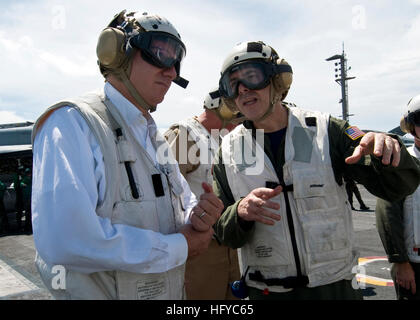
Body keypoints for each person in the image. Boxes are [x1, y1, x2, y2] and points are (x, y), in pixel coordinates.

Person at [31, 10, 223, 300]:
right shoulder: (73, 123)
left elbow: (183, 200)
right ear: (115, 54)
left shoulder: (152, 135)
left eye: (176, 60)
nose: (171, 71)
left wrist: (197, 214)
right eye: (159, 53)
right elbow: (66, 240)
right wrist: (180, 247)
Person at [212, 41, 420, 300]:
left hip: (334, 289)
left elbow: (397, 187)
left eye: (252, 76)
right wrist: (239, 213)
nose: (242, 89)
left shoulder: (326, 130)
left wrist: (389, 151)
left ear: (276, 81)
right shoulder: (228, 150)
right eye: (233, 84)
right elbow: (222, 230)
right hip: (266, 291)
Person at [164, 88, 241, 299]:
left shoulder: (227, 141)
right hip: (200, 251)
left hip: (232, 246)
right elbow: (164, 195)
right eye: (237, 117)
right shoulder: (184, 136)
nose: (239, 124)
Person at [376, 94, 420, 300]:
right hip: (413, 264)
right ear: (411, 126)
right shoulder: (401, 163)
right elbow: (388, 215)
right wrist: (401, 262)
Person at [20, 168, 32, 233]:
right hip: (27, 198)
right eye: (28, 173)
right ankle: (27, 227)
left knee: (29, 213)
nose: (29, 174)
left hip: (29, 198)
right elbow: (21, 184)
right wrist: (23, 184)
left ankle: (28, 227)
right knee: (28, 213)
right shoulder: (25, 179)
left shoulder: (30, 179)